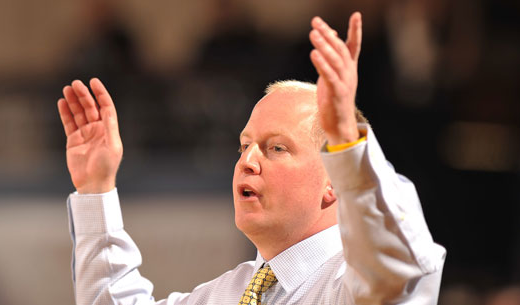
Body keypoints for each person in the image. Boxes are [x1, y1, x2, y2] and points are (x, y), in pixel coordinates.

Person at [57, 12, 446, 305]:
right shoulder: (227, 294)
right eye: (244, 146)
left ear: (334, 181)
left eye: (277, 148)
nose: (248, 162)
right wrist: (95, 189)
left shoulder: (353, 286)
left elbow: (397, 259)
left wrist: (348, 142)